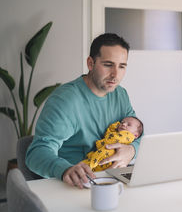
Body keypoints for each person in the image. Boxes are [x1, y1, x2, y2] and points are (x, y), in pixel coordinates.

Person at [26, 33, 140, 189]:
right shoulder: (65, 100)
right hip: (75, 183)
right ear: (90, 63)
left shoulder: (121, 94)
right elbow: (36, 153)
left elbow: (138, 132)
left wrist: (132, 150)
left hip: (111, 180)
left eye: (122, 66)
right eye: (108, 64)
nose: (115, 74)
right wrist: (64, 169)